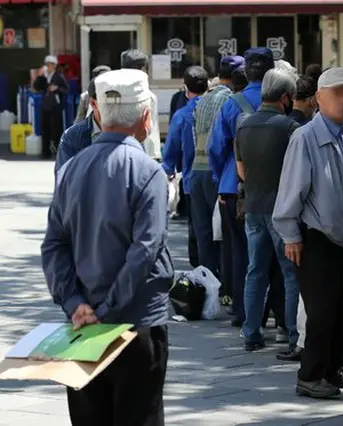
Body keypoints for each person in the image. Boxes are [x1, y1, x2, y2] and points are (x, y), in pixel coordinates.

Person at [41, 68, 173, 425]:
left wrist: (75, 302)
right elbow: (145, 249)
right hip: (137, 320)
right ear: (147, 117)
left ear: (96, 112)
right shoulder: (148, 172)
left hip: (82, 323)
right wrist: (110, 306)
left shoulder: (70, 171)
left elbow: (54, 244)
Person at [273, 67, 343, 399]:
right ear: (319, 98)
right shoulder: (306, 137)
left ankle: (332, 369)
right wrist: (290, 235)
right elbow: (291, 190)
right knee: (321, 311)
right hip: (315, 238)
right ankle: (310, 375)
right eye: (337, 93)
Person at [209, 48, 275, 327]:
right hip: (273, 186)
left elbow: (215, 146)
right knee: (274, 256)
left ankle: (243, 313)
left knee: (240, 253)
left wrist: (221, 177)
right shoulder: (279, 100)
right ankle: (278, 317)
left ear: (246, 72)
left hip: (233, 187)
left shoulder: (232, 103)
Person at [235, 68, 299, 352]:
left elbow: (241, 171)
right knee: (290, 273)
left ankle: (251, 331)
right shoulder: (289, 128)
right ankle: (294, 334)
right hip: (282, 210)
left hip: (253, 206)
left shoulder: (244, 125)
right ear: (286, 97)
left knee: (255, 270)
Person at [193, 55, 245, 300]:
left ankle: (206, 287)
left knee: (204, 233)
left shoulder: (204, 98)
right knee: (225, 235)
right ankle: (226, 289)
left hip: (197, 170)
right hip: (218, 172)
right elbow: (220, 144)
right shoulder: (230, 100)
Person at [161, 66, 209, 280]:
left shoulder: (182, 115)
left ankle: (204, 275)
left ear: (186, 90)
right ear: (208, 86)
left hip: (191, 180)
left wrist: (169, 170)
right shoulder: (219, 107)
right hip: (220, 180)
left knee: (199, 230)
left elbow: (171, 151)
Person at [55, 78, 102, 174]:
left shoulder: (128, 132)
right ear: (93, 103)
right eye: (108, 103)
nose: (115, 107)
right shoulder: (72, 137)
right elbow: (63, 179)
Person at [121, 49, 161, 160]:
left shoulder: (106, 92)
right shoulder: (148, 97)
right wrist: (154, 156)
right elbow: (151, 132)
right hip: (138, 155)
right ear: (143, 69)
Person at [33, 55, 68, 159]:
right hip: (45, 105)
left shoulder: (59, 76)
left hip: (56, 106)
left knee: (57, 128)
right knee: (45, 128)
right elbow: (36, 87)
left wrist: (57, 88)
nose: (50, 67)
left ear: (55, 66)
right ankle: (46, 151)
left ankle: (59, 150)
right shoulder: (43, 76)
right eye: (48, 64)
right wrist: (39, 76)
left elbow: (66, 90)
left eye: (52, 64)